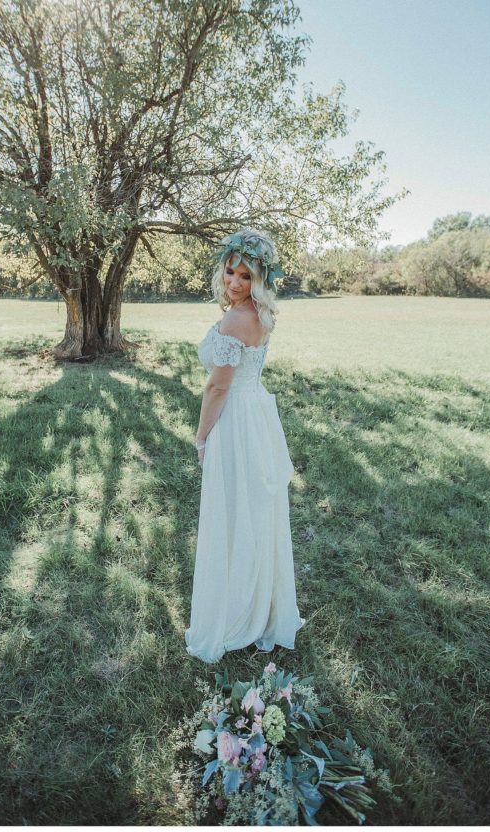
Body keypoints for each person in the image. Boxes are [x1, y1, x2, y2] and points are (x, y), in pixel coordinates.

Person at [184, 229, 306, 664]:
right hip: (258, 417)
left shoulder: (236, 319)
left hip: (235, 421)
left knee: (233, 512)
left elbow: (217, 387)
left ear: (260, 277)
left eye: (245, 275)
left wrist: (201, 438)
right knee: (255, 513)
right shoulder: (261, 314)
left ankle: (235, 611)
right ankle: (260, 604)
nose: (234, 281)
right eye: (230, 271)